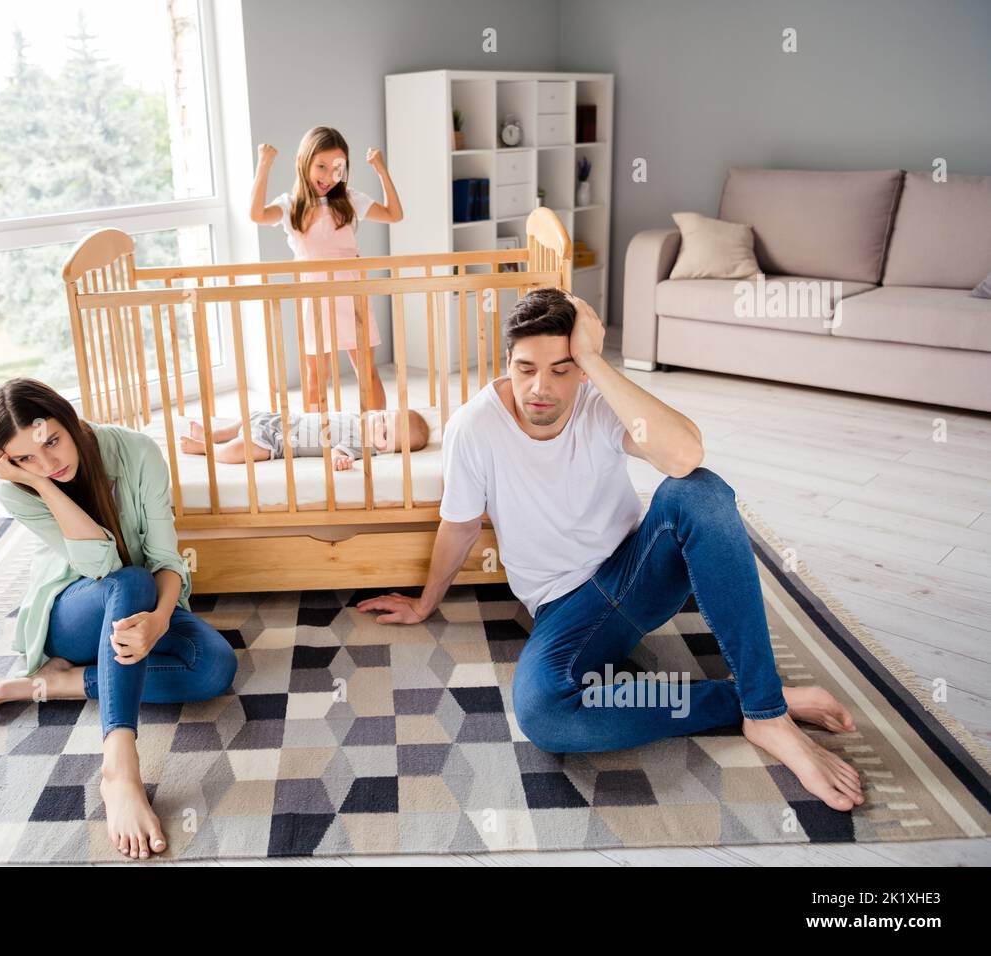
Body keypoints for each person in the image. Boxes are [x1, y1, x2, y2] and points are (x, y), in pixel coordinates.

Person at [356, 288, 865, 813]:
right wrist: (424, 603)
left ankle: (768, 713)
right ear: (506, 360)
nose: (540, 388)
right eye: (526, 368)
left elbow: (686, 454)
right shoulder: (473, 427)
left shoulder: (600, 403)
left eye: (562, 369)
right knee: (545, 714)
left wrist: (596, 363)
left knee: (700, 492)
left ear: (581, 367)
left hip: (638, 574)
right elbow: (458, 527)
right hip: (565, 611)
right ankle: (748, 706)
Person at [0, 378, 238, 859]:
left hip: (138, 602)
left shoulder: (137, 452)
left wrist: (159, 621)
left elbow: (166, 559)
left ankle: (60, 685)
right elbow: (101, 567)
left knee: (215, 667)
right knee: (130, 580)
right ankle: (119, 768)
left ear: (69, 418)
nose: (49, 463)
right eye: (27, 458)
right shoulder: (19, 491)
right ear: (10, 464)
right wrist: (39, 486)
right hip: (72, 616)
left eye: (52, 441)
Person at [250, 126, 403, 412]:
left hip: (352, 293)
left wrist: (381, 171)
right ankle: (317, 437)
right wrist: (264, 165)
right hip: (315, 297)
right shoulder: (290, 205)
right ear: (303, 162)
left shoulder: (349, 200)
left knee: (366, 373)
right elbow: (256, 214)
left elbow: (395, 214)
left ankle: (378, 430)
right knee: (316, 377)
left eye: (337, 169)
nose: (328, 176)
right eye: (321, 166)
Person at [178, 407, 429, 470]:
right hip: (286, 420)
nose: (378, 422)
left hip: (281, 442)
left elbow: (337, 453)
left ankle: (206, 447)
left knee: (241, 450)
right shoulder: (361, 417)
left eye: (385, 433)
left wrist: (340, 461)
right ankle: (214, 434)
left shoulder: (361, 445)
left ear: (385, 450)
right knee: (248, 418)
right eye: (384, 416)